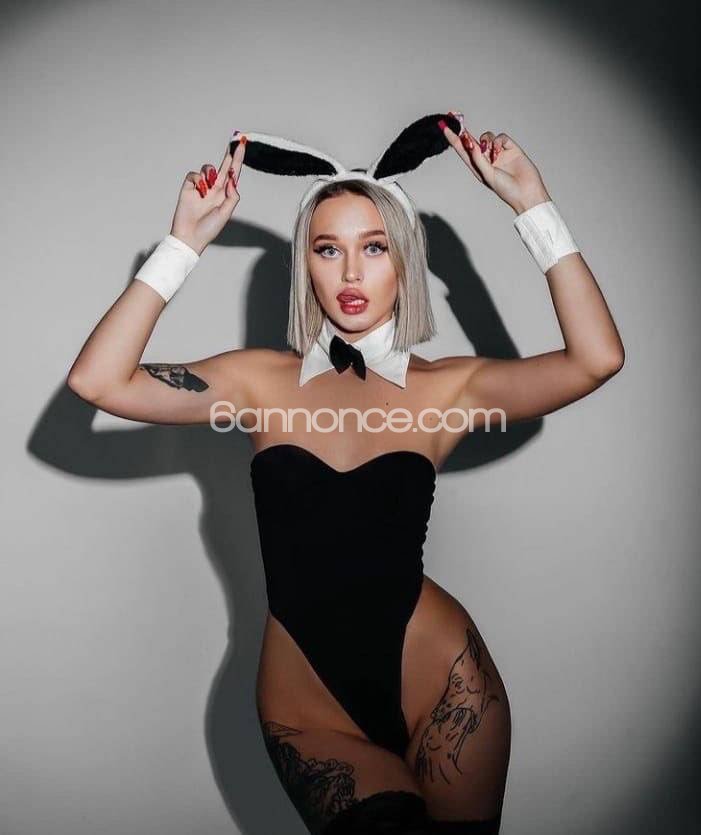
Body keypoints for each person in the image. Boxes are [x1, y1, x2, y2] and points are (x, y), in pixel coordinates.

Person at [67, 113, 625, 834]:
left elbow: (596, 358)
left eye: (375, 247)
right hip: (309, 704)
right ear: (307, 264)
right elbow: (99, 381)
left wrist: (531, 204)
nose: (352, 274)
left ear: (404, 261)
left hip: (442, 676)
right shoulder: (256, 382)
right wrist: (183, 245)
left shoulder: (448, 388)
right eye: (329, 249)